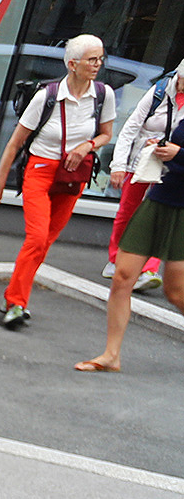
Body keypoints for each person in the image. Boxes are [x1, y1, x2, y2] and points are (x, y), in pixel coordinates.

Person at [0, 36, 116, 330]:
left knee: (44, 243)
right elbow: (15, 143)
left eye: (100, 59)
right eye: (92, 60)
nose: (98, 65)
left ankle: (15, 300)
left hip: (73, 176)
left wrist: (87, 146)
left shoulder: (103, 94)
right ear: (72, 64)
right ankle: (16, 302)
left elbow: (106, 133)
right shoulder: (47, 96)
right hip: (40, 171)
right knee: (36, 238)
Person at [77, 91, 184, 372]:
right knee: (122, 277)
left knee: (176, 292)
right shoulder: (172, 99)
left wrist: (178, 154)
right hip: (160, 197)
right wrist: (161, 148)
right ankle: (112, 356)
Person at [104, 60, 178, 294]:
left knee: (158, 216)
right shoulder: (159, 91)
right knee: (128, 211)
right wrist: (118, 165)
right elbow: (130, 128)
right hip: (140, 163)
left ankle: (148, 270)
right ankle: (115, 259)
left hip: (169, 168)